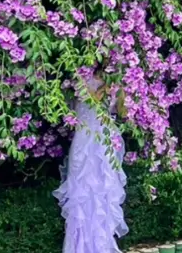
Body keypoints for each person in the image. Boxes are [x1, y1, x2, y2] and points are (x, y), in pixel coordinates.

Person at [54, 73, 129, 253]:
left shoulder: (117, 79)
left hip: (107, 143)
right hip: (85, 140)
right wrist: (105, 88)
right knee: (82, 193)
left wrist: (123, 93)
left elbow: (123, 112)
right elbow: (91, 101)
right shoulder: (80, 76)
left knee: (104, 192)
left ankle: (103, 246)